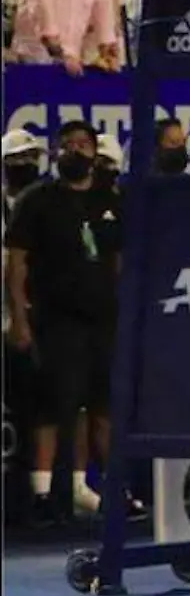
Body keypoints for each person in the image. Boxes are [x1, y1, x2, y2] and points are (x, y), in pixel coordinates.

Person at [4, 121, 146, 525]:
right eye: (67, 146)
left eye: (83, 145)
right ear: (56, 152)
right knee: (52, 406)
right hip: (54, 319)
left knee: (103, 407)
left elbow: (120, 262)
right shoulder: (37, 200)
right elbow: (17, 263)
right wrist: (19, 318)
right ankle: (44, 494)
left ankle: (113, 491)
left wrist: (127, 312)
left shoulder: (109, 199)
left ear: (92, 152)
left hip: (104, 319)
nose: (75, 152)